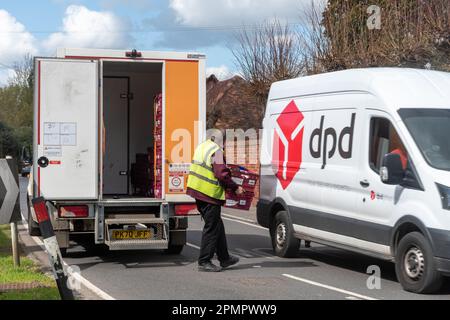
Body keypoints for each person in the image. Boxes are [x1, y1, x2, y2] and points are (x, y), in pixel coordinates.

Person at [187, 131, 245, 272]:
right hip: (209, 194)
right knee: (212, 228)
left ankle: (224, 258)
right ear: (222, 141)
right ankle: (204, 261)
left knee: (217, 225)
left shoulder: (203, 146)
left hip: (198, 191)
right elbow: (221, 174)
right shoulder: (216, 151)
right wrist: (235, 186)